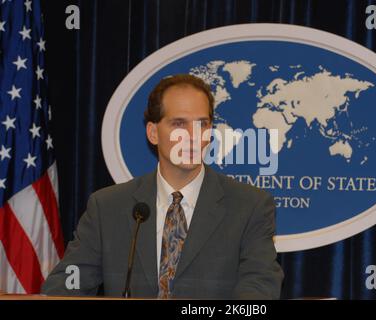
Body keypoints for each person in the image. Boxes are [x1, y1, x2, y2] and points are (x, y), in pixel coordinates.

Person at [41, 74, 284, 299]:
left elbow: (259, 290)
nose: (192, 135)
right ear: (153, 133)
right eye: (179, 124)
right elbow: (67, 284)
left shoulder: (249, 206)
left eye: (202, 123)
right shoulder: (107, 207)